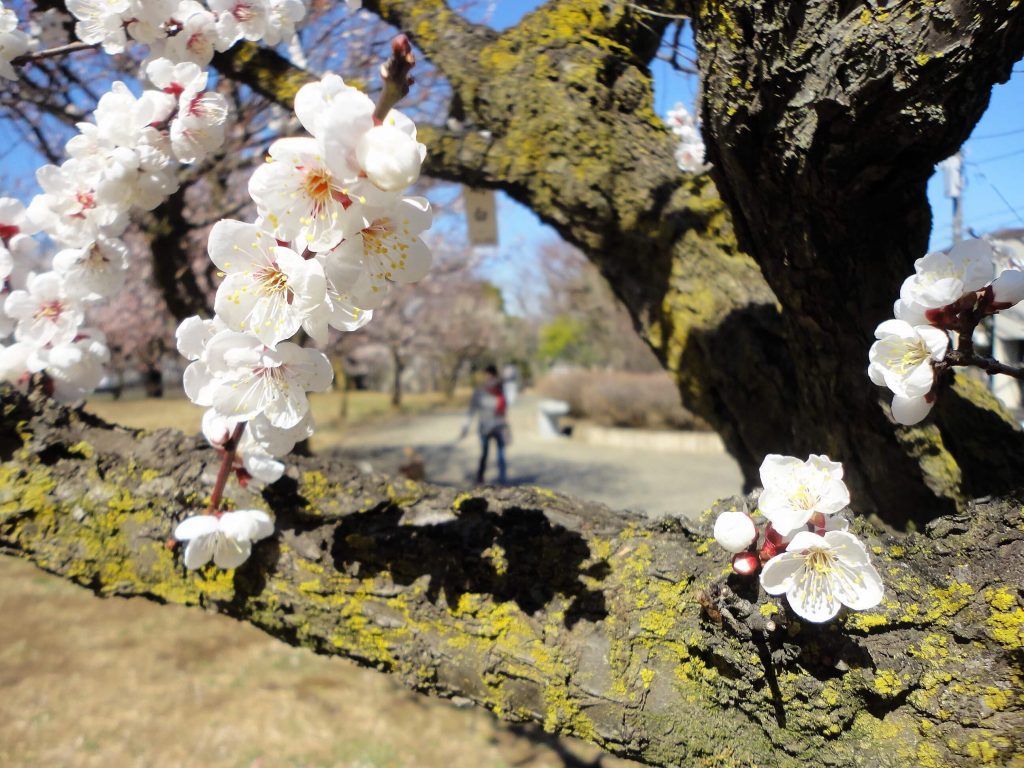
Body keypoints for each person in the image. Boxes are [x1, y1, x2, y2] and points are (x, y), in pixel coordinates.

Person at [460, 364, 510, 485]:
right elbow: (472, 409)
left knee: (496, 454)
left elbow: (503, 411)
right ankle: (489, 478)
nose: (487, 378)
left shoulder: (495, 390)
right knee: (490, 454)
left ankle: (496, 480)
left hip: (494, 427)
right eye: (487, 375)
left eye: (489, 375)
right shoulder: (489, 390)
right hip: (491, 427)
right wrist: (465, 426)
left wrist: (466, 426)